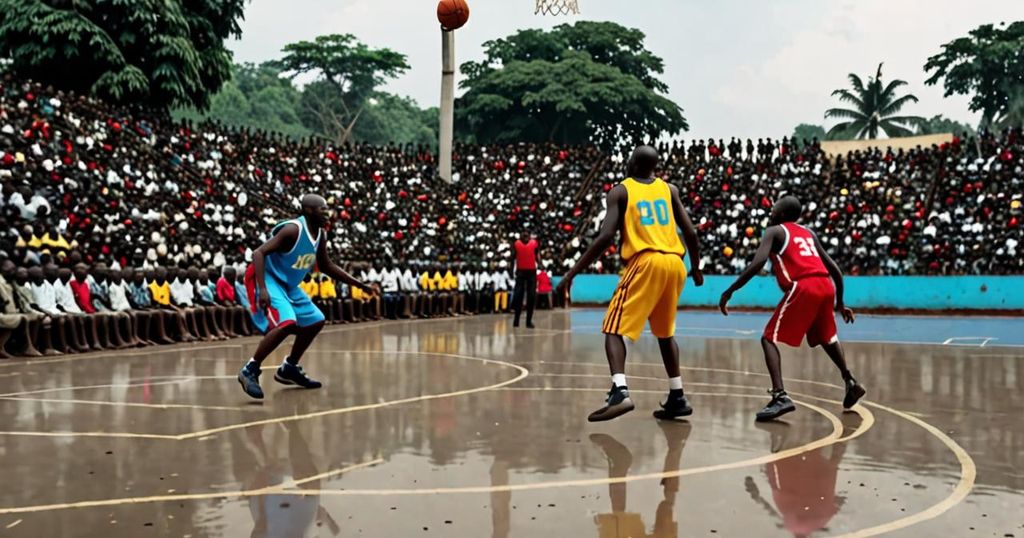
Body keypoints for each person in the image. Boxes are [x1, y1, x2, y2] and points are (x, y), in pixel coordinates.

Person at [556, 145, 704, 422]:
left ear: (633, 163)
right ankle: (677, 395)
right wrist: (695, 268)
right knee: (665, 333)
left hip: (645, 260)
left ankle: (619, 392)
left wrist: (571, 273)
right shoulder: (669, 189)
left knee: (613, 328)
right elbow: (691, 232)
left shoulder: (620, 190)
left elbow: (605, 237)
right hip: (675, 263)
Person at [718, 195, 866, 421]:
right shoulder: (808, 233)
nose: (771, 211)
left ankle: (780, 396)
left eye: (774, 208)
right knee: (828, 338)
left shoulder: (775, 231)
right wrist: (840, 302)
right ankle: (850, 380)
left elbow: (758, 263)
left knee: (768, 338)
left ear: (782, 214)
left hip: (804, 286)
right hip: (826, 285)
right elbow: (834, 268)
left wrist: (730, 290)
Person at [237, 194, 377, 400]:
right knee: (287, 322)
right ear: (310, 211)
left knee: (316, 320)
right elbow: (258, 253)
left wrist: (361, 285)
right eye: (323, 209)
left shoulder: (320, 234)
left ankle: (289, 368)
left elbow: (327, 266)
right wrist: (263, 289)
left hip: (289, 285)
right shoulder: (293, 230)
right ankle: (250, 369)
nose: (328, 214)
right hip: (270, 281)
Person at [511, 232, 539, 328]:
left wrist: (541, 264)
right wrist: (511, 270)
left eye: (527, 236)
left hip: (532, 272)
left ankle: (528, 321)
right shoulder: (516, 244)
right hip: (520, 272)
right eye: (524, 236)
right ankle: (516, 319)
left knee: (531, 296)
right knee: (518, 295)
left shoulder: (534, 243)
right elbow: (512, 258)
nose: (526, 238)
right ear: (520, 237)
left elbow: (537, 255)